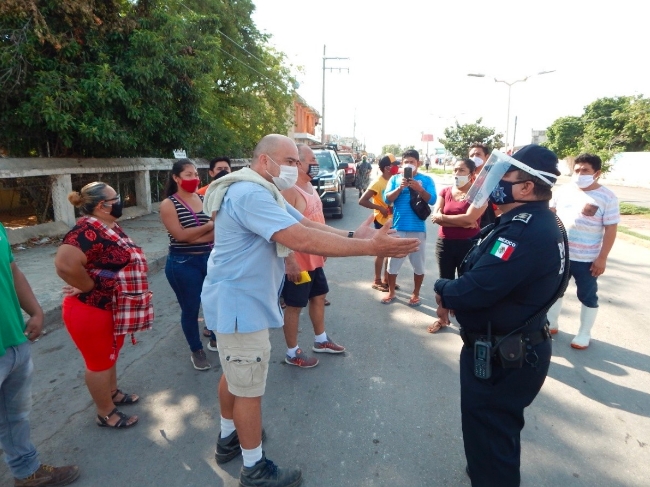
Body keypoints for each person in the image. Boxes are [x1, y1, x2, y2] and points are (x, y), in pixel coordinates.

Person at [201, 134, 419, 487]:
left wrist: (357, 236)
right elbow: (298, 239)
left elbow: (305, 224)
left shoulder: (262, 189)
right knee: (248, 388)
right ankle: (253, 468)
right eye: (290, 161)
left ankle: (229, 437)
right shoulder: (250, 193)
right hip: (240, 306)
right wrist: (367, 249)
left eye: (297, 162)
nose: (297, 168)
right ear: (264, 161)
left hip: (238, 302)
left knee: (235, 374)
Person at [433, 145, 566, 487]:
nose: (492, 179)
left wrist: (442, 287)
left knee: (492, 435)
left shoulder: (525, 230)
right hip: (506, 346)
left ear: (526, 188)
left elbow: (476, 289)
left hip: (504, 355)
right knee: (492, 434)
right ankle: (486, 470)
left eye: (504, 174)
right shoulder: (525, 221)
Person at [55, 182, 153, 429]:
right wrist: (88, 286)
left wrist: (94, 279)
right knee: (99, 362)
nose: (119, 200)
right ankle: (105, 412)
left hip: (110, 306)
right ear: (102, 205)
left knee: (110, 355)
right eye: (115, 197)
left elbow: (103, 264)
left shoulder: (107, 226)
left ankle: (112, 392)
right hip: (91, 310)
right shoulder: (86, 230)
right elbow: (66, 264)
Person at [1, 222, 80, 486]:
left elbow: (12, 272)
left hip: (13, 339)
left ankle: (27, 471)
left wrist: (35, 311)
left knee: (15, 417)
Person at [280, 144, 344, 368]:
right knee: (294, 306)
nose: (316, 166)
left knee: (319, 296)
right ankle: (292, 352)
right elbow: (281, 229)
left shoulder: (309, 185)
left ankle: (321, 340)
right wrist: (290, 260)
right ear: (298, 163)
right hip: (299, 261)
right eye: (312, 162)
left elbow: (318, 221)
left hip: (315, 258)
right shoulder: (289, 190)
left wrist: (324, 248)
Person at [547, 153, 619, 349]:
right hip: (560, 255)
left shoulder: (607, 196)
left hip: (587, 258)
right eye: (577, 170)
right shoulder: (563, 191)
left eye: (585, 170)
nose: (580, 174)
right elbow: (551, 216)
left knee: (587, 295)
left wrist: (602, 258)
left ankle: (584, 333)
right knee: (555, 290)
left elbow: (611, 228)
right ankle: (551, 324)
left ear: (597, 173)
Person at [160, 159, 216, 370]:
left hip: (209, 259)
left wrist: (196, 236)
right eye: (189, 175)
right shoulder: (169, 204)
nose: (194, 178)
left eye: (195, 174)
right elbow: (180, 236)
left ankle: (215, 339)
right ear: (176, 178)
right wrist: (208, 228)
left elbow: (217, 231)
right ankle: (196, 350)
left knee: (213, 303)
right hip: (183, 263)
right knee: (190, 309)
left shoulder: (204, 198)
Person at [428, 158, 486, 333]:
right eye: (455, 170)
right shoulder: (445, 191)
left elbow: (469, 219)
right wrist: (462, 222)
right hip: (444, 243)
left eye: (461, 170)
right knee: (444, 281)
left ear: (472, 174)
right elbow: (435, 216)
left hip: (468, 245)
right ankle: (442, 318)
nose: (456, 173)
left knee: (466, 282)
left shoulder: (478, 194)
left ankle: (466, 321)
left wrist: (449, 220)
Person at [381, 149, 436, 306]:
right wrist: (400, 188)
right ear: (402, 164)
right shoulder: (395, 179)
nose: (409, 165)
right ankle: (391, 292)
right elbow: (386, 199)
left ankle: (415, 294)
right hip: (398, 227)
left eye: (412, 162)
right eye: (406, 162)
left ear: (418, 163)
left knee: (419, 264)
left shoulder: (426, 180)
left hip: (418, 228)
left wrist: (419, 189)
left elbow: (432, 200)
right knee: (393, 263)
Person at [359, 154, 394, 291]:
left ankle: (387, 279)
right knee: (382, 252)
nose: (397, 167)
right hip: (381, 221)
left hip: (392, 221)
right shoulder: (377, 183)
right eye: (394, 164)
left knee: (390, 252)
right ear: (387, 168)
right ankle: (377, 280)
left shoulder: (393, 180)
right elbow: (362, 200)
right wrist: (379, 208)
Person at [469, 142, 497, 228]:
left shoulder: (494, 177)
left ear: (487, 157)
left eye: (478, 154)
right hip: (467, 222)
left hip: (487, 222)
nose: (474, 157)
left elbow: (499, 208)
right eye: (471, 155)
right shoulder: (466, 177)